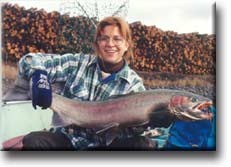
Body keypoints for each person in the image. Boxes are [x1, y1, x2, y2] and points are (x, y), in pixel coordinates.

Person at [18, 16, 146, 150]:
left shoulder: (134, 85)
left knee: (142, 145)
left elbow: (130, 133)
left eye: (117, 39)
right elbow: (29, 60)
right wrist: (38, 75)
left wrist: (145, 123)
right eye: (104, 38)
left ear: (126, 45)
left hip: (102, 147)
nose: (110, 44)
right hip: (67, 140)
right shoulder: (76, 63)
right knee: (33, 140)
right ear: (97, 44)